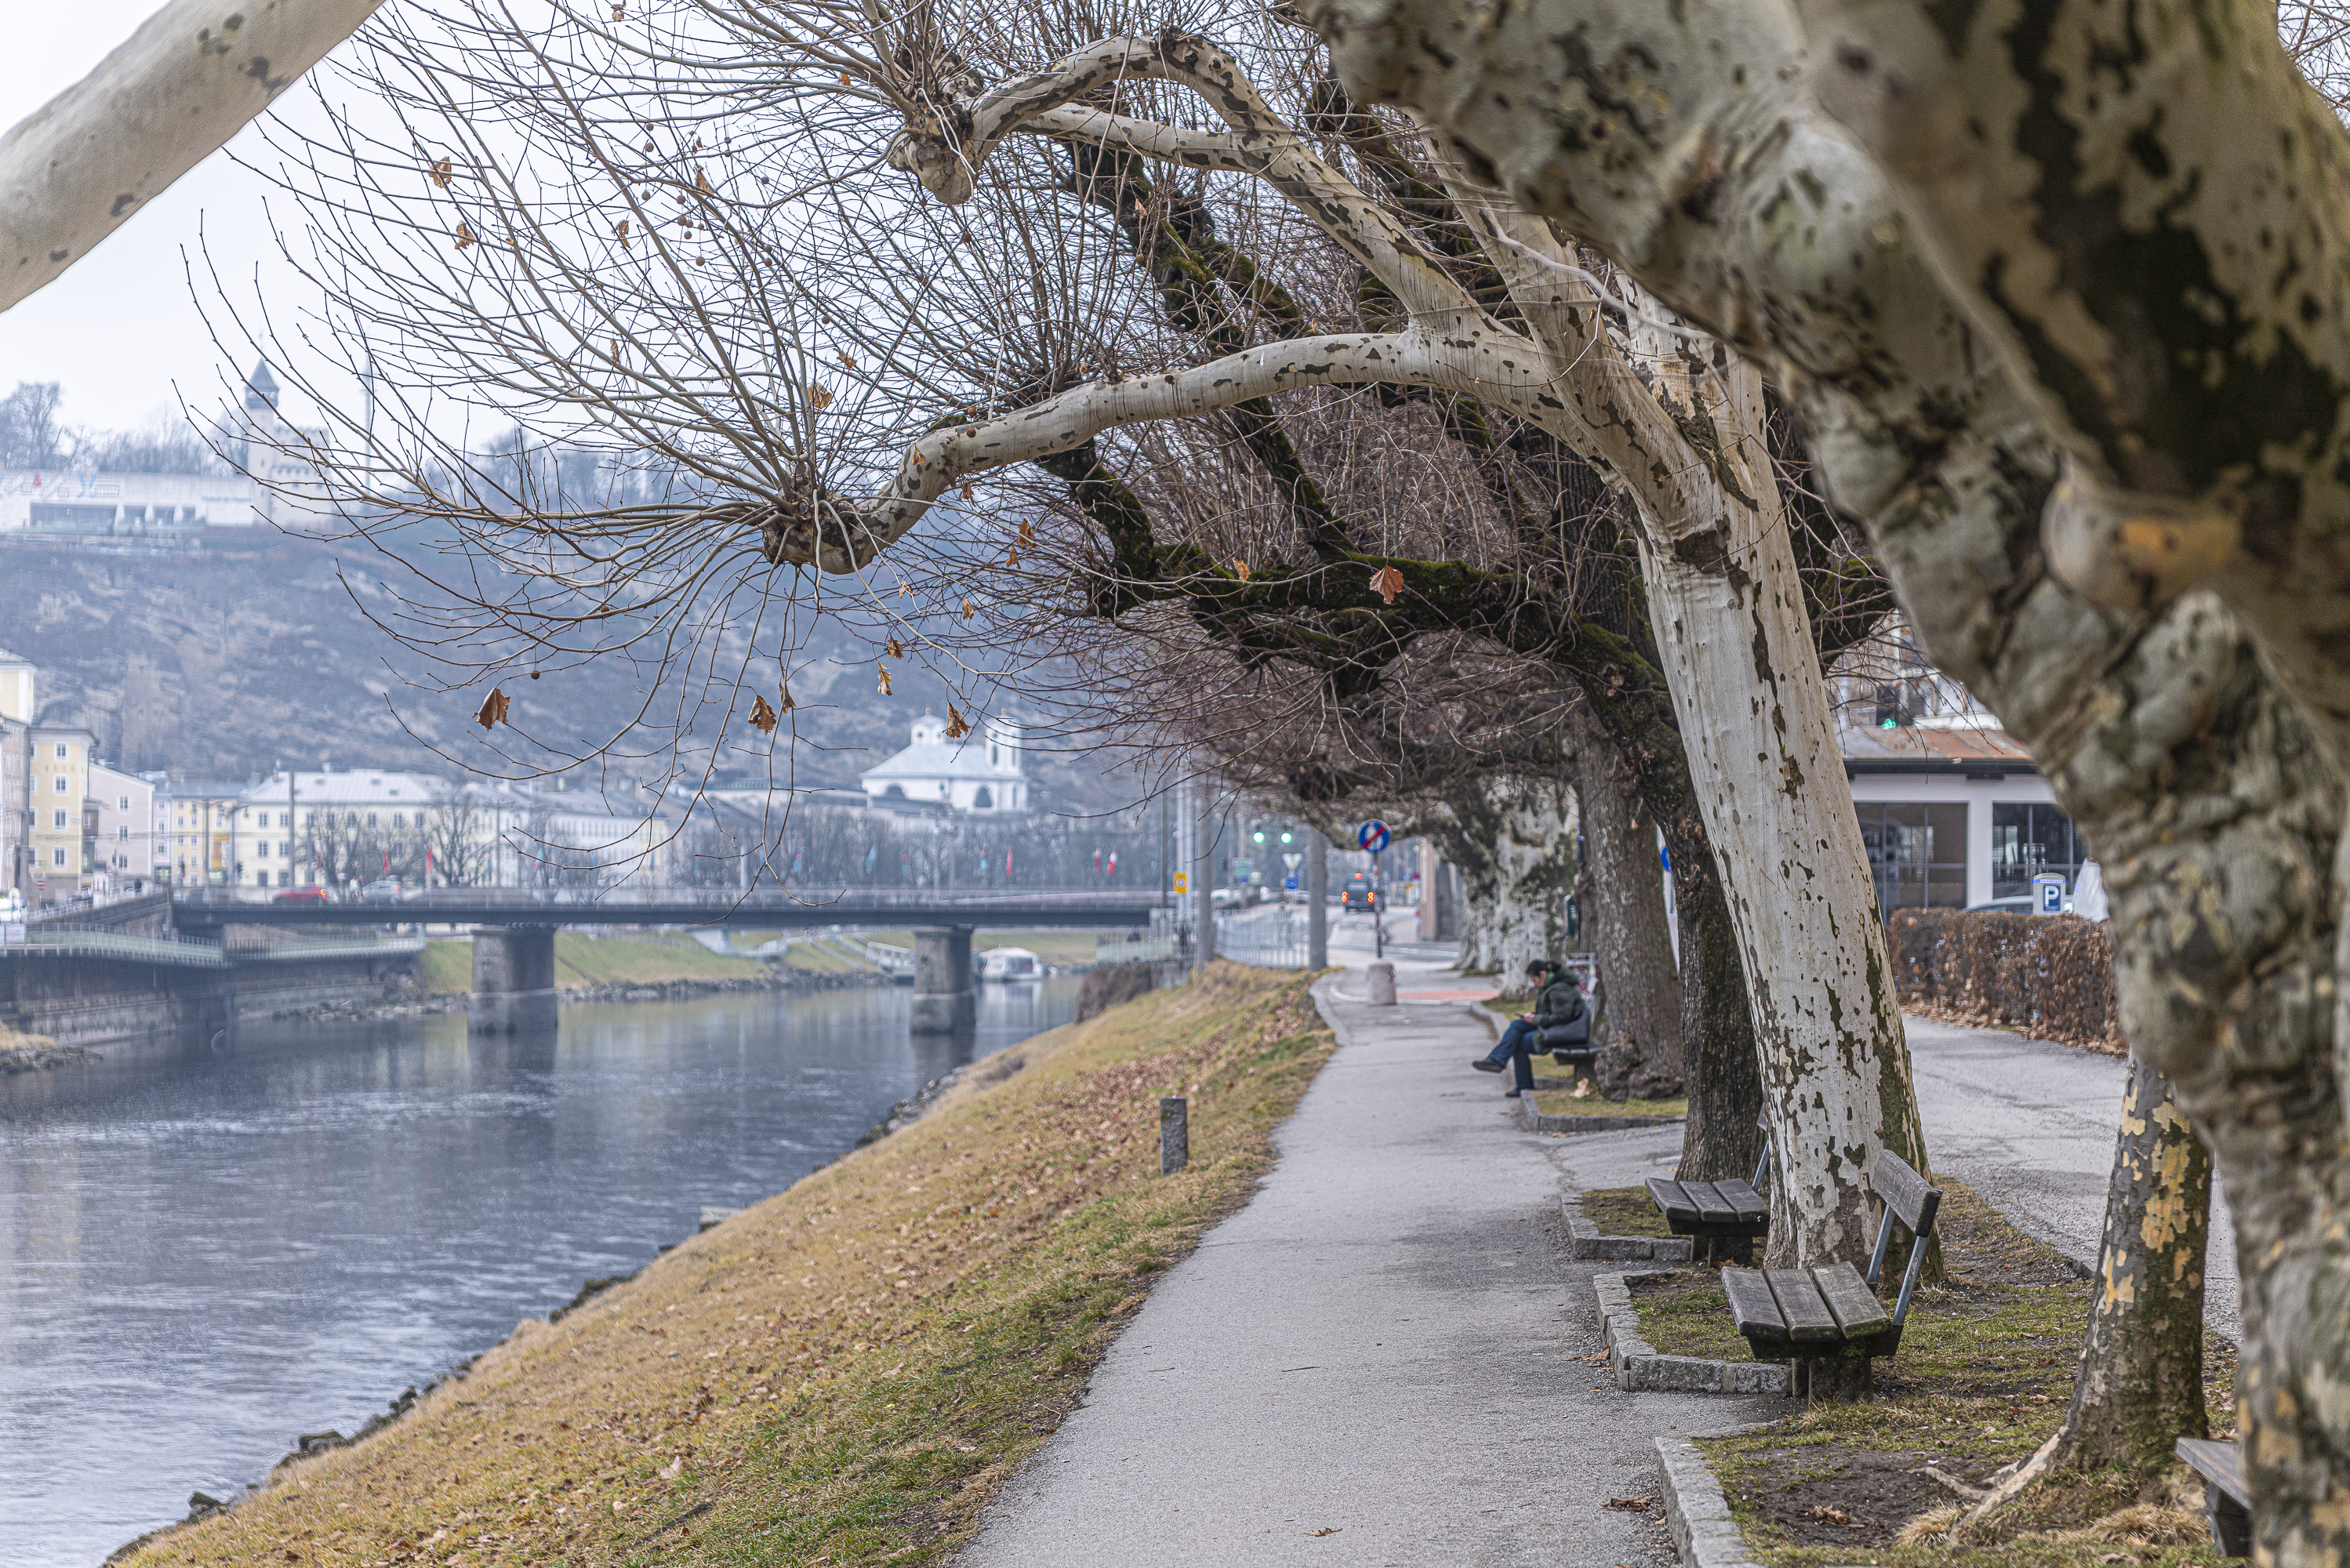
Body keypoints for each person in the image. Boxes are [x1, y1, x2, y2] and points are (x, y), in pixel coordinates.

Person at [1473, 960, 1586, 1096]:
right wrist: (1533, 1017)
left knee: (1518, 1043)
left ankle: (1520, 1083)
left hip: (1564, 1033)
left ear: (1543, 974)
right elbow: (1552, 1013)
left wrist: (1535, 1019)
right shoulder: (1550, 985)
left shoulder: (1559, 988)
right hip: (1553, 1027)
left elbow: (1561, 1018)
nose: (1534, 985)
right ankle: (1497, 1061)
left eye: (1534, 980)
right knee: (1516, 1025)